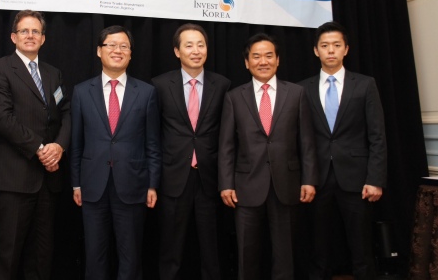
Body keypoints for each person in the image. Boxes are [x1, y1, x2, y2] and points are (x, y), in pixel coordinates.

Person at [218, 33, 318, 280]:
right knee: (246, 253)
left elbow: (306, 141)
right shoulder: (233, 97)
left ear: (278, 60)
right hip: (246, 185)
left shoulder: (296, 93)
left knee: (285, 254)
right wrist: (226, 184)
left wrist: (309, 179)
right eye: (256, 56)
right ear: (246, 62)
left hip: (287, 184)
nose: (263, 61)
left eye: (268, 55)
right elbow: (227, 145)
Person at [0, 10, 71, 280]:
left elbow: (66, 113)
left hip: (48, 180)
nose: (30, 36)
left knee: (41, 256)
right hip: (14, 179)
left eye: (36, 31)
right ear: (13, 36)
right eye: (24, 31)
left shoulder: (53, 73)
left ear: (43, 39)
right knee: (7, 255)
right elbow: (1, 118)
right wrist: (40, 148)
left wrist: (59, 146)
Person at [70, 25, 162, 280]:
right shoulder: (81, 91)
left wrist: (153, 184)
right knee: (94, 254)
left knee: (130, 255)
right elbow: (76, 143)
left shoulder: (146, 93)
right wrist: (75, 183)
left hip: (133, 185)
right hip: (92, 186)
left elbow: (153, 143)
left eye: (123, 46)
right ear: (99, 51)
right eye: (110, 45)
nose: (117, 50)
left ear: (131, 54)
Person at [300, 21, 387, 280]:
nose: (331, 51)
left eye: (336, 45)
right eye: (325, 46)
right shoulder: (301, 88)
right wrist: (305, 178)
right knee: (318, 248)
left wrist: (375, 179)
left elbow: (377, 136)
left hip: (357, 179)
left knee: (361, 247)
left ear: (346, 49)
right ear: (316, 50)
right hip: (317, 179)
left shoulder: (365, 85)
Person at [151, 23, 231, 280]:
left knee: (212, 248)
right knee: (170, 248)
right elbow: (153, 134)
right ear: (177, 51)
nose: (196, 50)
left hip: (209, 178)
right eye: (189, 45)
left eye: (201, 44)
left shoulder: (222, 85)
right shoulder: (160, 85)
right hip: (173, 178)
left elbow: (227, 134)